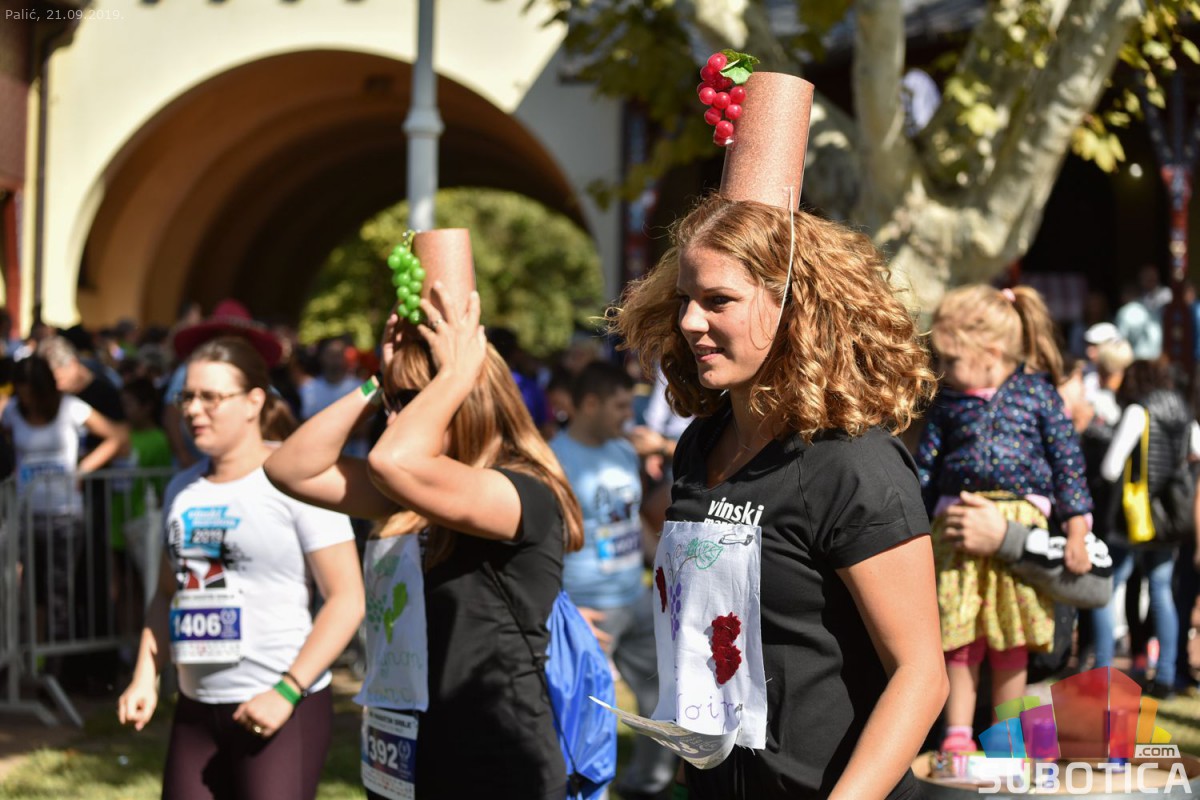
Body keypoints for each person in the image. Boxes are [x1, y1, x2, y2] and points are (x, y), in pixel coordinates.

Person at [613, 188, 947, 798]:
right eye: (685, 299)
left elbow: (921, 675)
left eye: (718, 300)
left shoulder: (852, 463)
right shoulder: (700, 444)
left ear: (794, 307)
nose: (689, 322)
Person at [263, 230, 586, 799]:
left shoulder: (521, 492)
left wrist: (456, 373)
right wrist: (378, 381)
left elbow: (392, 460)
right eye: (393, 403)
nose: (394, 419)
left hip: (492, 764)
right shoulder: (409, 488)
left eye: (410, 402)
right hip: (405, 755)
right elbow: (291, 468)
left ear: (469, 398)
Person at [117, 337, 363, 800]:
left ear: (254, 402)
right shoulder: (181, 488)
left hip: (280, 707)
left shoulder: (301, 481)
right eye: (187, 396)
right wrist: (145, 675)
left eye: (211, 397)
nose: (193, 410)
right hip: (196, 709)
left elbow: (347, 598)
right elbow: (168, 593)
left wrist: (286, 691)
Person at [919, 284, 1093, 753]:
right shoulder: (949, 403)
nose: (943, 370)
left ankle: (1007, 735)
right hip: (956, 530)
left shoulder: (1037, 396)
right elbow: (925, 469)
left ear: (991, 354)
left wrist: (1077, 530)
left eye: (952, 360)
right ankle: (957, 733)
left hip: (1020, 535)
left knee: (1011, 641)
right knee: (958, 636)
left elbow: (1068, 465)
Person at [549, 360, 676, 799]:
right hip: (585, 609)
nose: (629, 416)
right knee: (585, 713)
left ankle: (649, 784)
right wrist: (560, 609)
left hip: (635, 597)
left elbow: (630, 521)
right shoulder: (554, 461)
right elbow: (542, 545)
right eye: (621, 406)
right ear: (590, 403)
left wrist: (663, 567)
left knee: (663, 699)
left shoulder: (622, 451)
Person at [1, 355, 128, 644]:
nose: (27, 398)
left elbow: (117, 436)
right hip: (26, 512)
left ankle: (55, 656)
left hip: (64, 514)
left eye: (31, 391)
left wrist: (83, 469)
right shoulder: (13, 412)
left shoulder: (70, 407)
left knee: (59, 588)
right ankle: (33, 651)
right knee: (28, 588)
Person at [1093, 358, 1200, 698]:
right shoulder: (1184, 412)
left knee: (1107, 589)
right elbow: (1196, 452)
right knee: (1162, 590)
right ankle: (1165, 675)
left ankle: (1103, 672)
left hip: (1134, 516)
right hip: (1169, 519)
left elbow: (1111, 467)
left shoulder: (1139, 411)